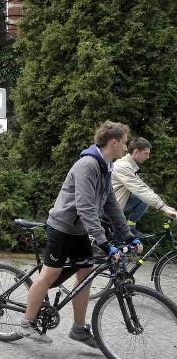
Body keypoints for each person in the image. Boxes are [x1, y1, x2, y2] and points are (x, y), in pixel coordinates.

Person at [18, 121, 143, 346]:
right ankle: (27, 322)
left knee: (86, 270)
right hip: (62, 226)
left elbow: (111, 204)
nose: (126, 149)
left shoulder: (106, 166)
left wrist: (129, 236)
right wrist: (105, 243)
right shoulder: (87, 165)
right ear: (113, 142)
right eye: (124, 144)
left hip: (79, 229)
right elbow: (85, 207)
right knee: (50, 274)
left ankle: (78, 329)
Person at [111, 137, 177, 234]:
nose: (148, 157)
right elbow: (140, 190)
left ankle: (130, 226)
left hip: (115, 205)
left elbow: (145, 188)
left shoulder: (128, 166)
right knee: (143, 196)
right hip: (108, 210)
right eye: (146, 153)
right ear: (136, 152)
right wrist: (164, 208)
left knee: (145, 198)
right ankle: (126, 231)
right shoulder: (122, 167)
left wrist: (166, 207)